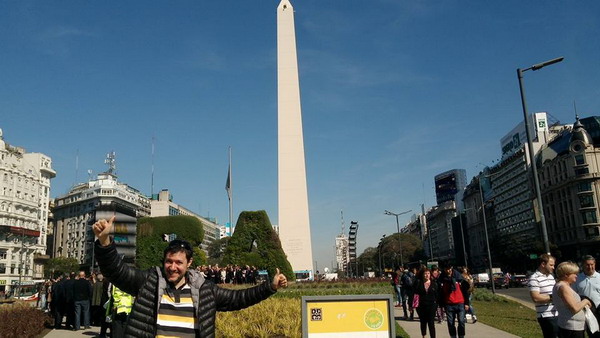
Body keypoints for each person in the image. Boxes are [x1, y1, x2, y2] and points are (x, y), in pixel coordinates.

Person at [93, 216, 287, 337]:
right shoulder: (148, 282)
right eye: (169, 261)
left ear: (189, 264)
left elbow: (238, 299)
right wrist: (104, 241)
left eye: (179, 263)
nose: (173, 267)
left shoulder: (205, 290)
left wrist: (270, 287)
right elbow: (116, 272)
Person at [553, 261, 592, 338]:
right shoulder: (563, 287)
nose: (576, 276)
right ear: (566, 275)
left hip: (571, 327)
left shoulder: (562, 286)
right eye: (574, 273)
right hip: (571, 328)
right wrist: (586, 301)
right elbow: (574, 308)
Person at [529, 254, 559, 338]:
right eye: (551, 265)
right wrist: (554, 297)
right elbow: (536, 298)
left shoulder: (551, 277)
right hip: (546, 316)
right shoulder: (534, 278)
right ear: (543, 264)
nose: (553, 267)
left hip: (557, 313)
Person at [439, 263, 470, 338]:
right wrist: (441, 305)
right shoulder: (442, 279)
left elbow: (465, 291)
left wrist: (466, 303)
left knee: (461, 322)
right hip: (449, 304)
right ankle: (453, 336)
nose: (448, 270)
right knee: (450, 323)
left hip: (460, 302)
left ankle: (461, 336)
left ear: (452, 268)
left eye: (449, 269)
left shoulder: (458, 277)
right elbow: (440, 293)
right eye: (446, 269)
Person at [573, 255, 600, 338]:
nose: (590, 267)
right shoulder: (577, 279)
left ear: (595, 264)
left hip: (599, 309)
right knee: (591, 333)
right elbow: (574, 294)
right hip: (586, 312)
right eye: (587, 265)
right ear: (583, 265)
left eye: (592, 264)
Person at [414, 267, 439, 338]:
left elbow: (437, 294)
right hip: (421, 306)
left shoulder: (434, 283)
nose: (427, 275)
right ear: (422, 275)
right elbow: (415, 294)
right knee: (423, 322)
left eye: (428, 273)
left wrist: (438, 304)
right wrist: (413, 305)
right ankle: (423, 335)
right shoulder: (418, 283)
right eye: (425, 274)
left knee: (431, 323)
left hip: (432, 305)